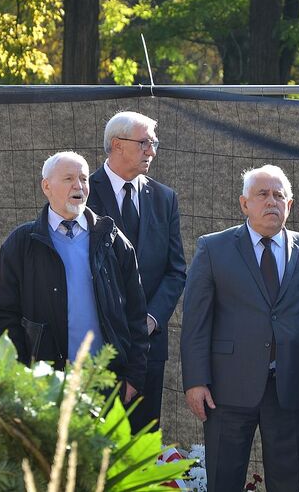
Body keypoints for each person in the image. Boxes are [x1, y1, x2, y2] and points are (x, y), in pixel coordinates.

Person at [180, 164, 299, 491]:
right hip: (226, 389)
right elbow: (195, 322)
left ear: (289, 205)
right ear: (244, 204)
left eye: (279, 195)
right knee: (224, 480)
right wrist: (195, 381)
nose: (271, 201)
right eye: (263, 194)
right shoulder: (213, 248)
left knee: (288, 482)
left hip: (290, 389)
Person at [0, 151, 148, 401]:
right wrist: (20, 373)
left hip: (105, 383)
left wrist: (133, 377)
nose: (79, 186)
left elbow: (136, 314)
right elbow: (2, 314)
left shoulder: (112, 239)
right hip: (42, 384)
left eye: (83, 179)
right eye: (69, 178)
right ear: (46, 186)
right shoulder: (21, 243)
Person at [87, 111, 186, 432]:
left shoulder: (164, 198)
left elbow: (176, 270)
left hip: (149, 346)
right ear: (117, 144)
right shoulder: (83, 192)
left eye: (153, 143)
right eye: (144, 143)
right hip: (96, 344)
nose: (151, 151)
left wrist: (151, 319)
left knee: (142, 444)